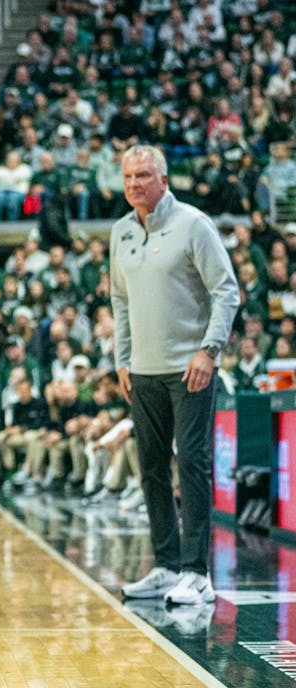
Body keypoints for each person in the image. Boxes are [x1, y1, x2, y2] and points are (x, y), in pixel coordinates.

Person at [112, 145, 239, 607]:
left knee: (192, 463)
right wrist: (121, 359)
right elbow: (120, 301)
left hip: (191, 368)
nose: (134, 185)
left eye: (143, 175)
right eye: (128, 177)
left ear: (163, 180)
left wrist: (209, 351)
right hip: (141, 370)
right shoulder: (120, 232)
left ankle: (197, 572)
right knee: (150, 469)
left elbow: (226, 291)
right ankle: (166, 566)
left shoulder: (193, 225)